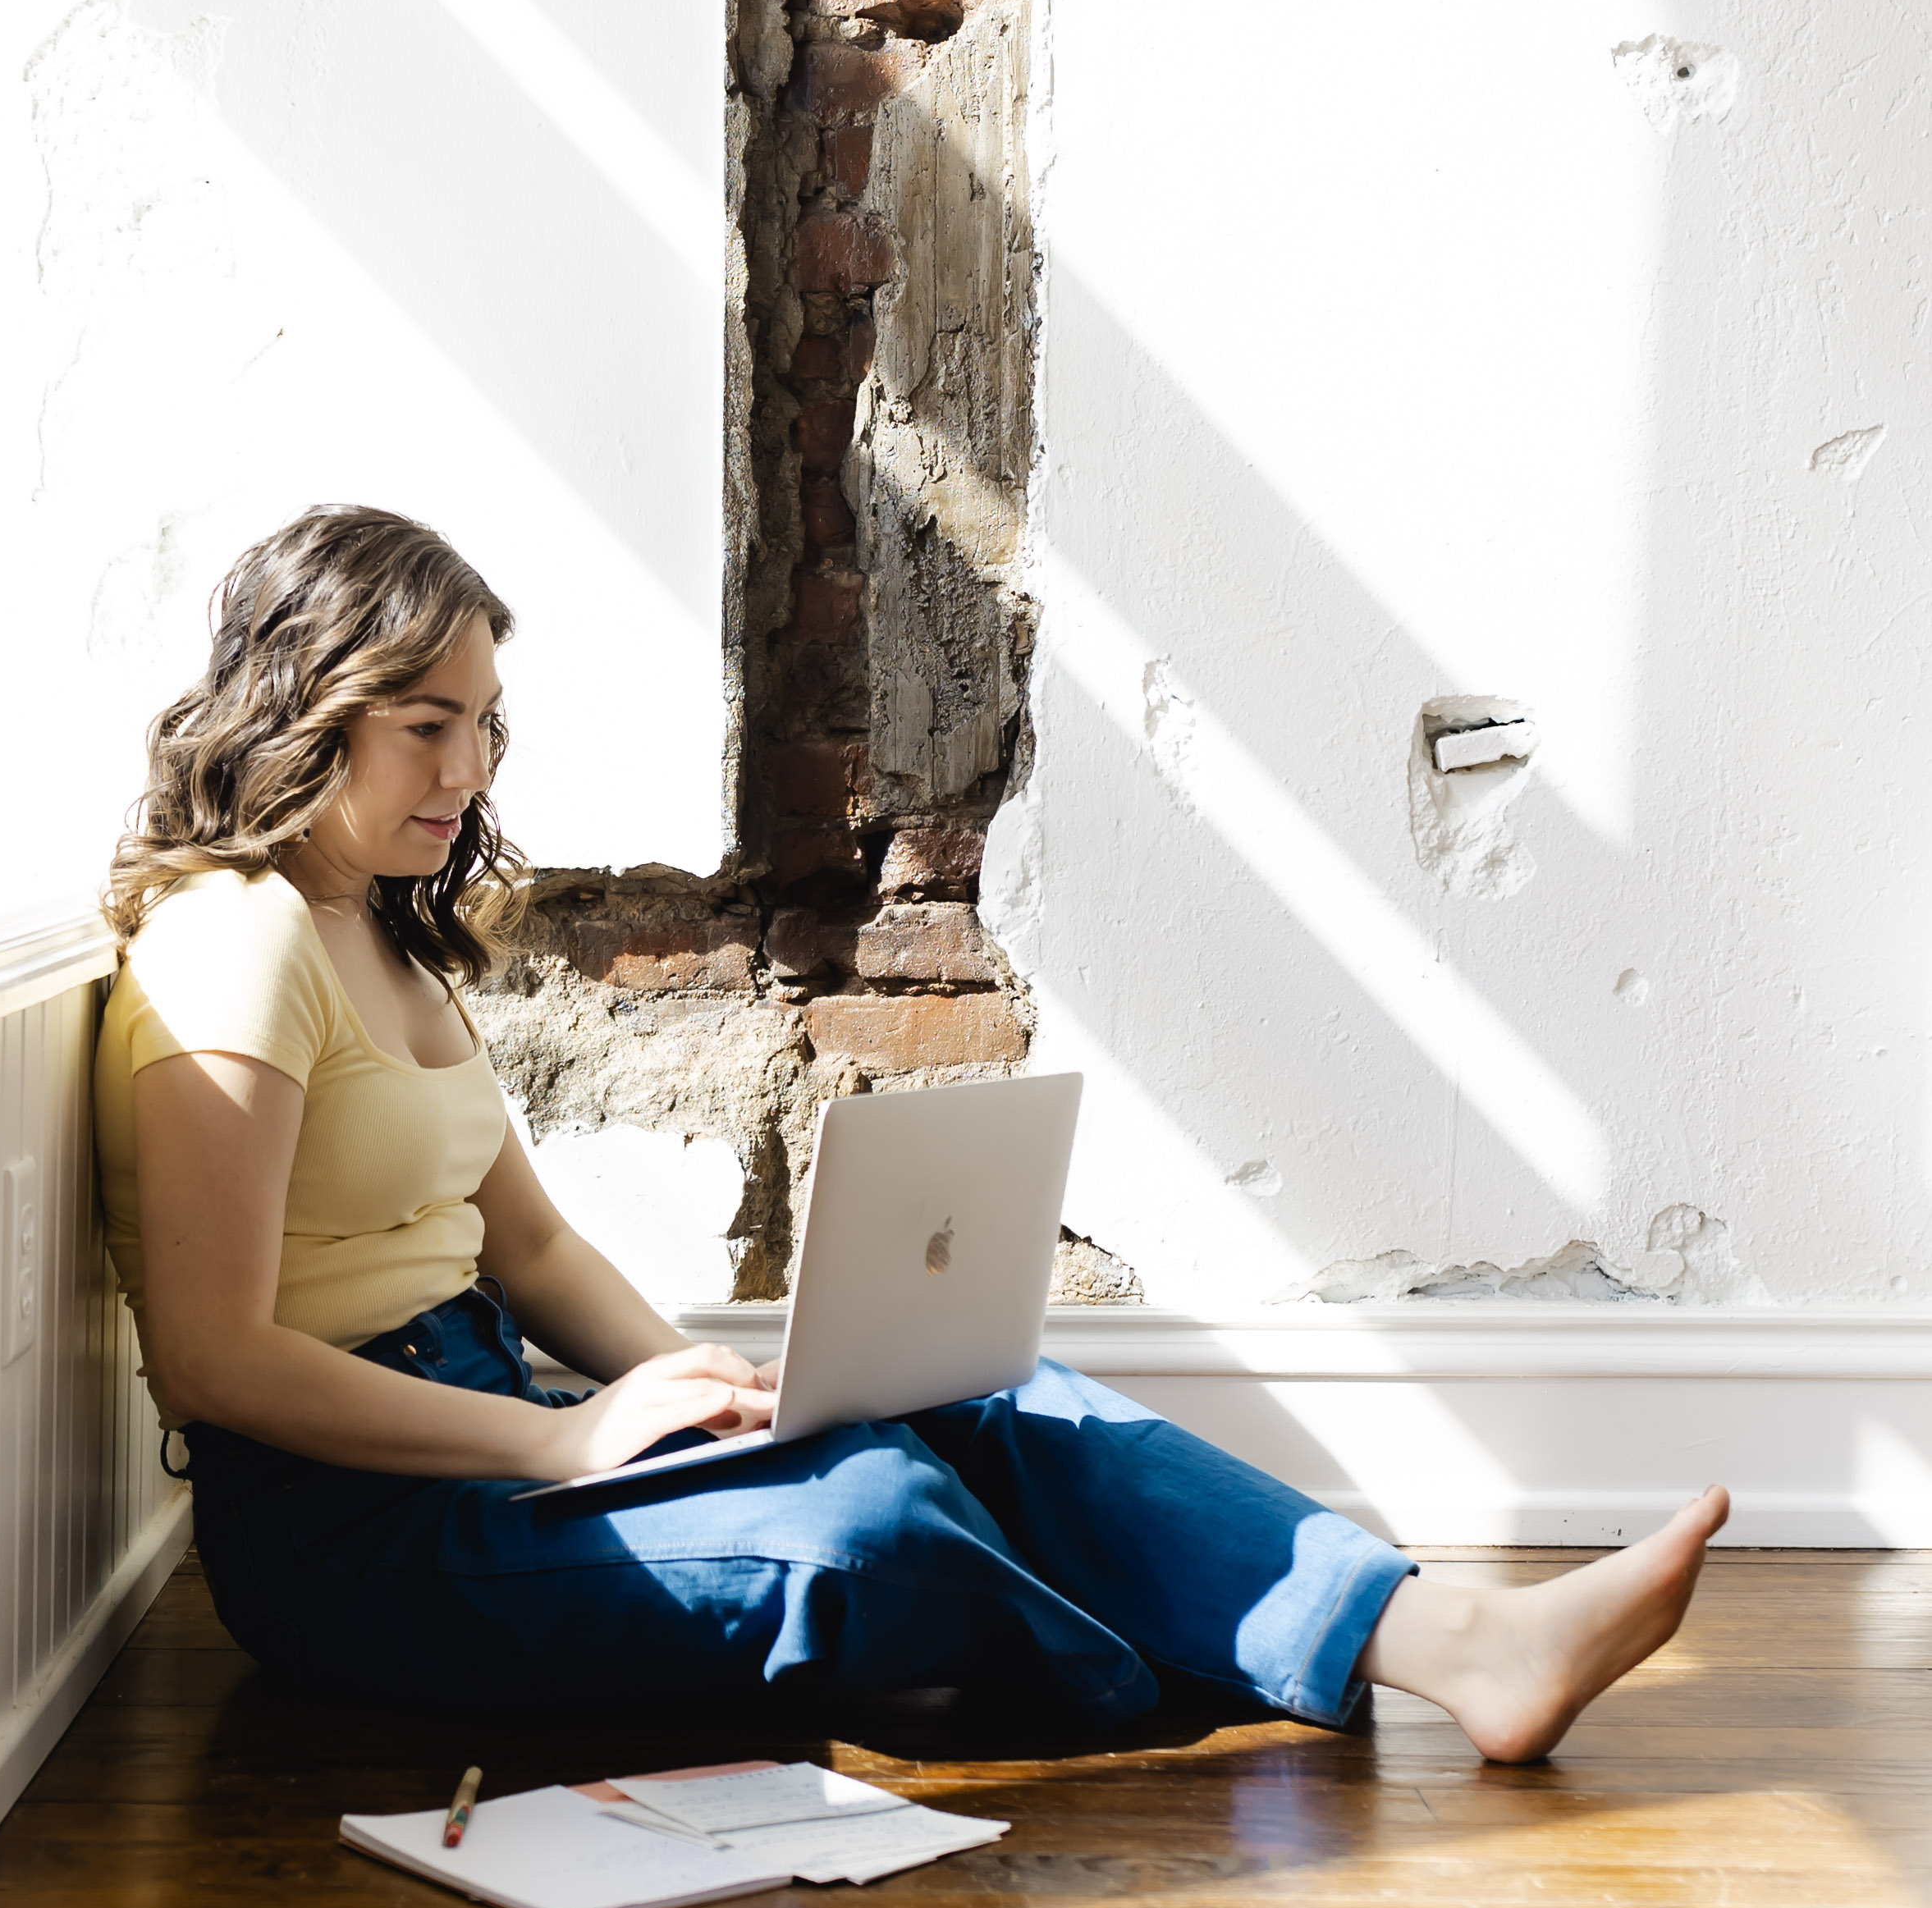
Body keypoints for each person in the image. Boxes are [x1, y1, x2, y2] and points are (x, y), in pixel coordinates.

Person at [93, 502, 1729, 1761]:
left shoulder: (375, 931)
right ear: (309, 703)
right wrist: (558, 1440)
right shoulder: (229, 940)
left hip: (479, 1426)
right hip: (344, 1535)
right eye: (425, 723)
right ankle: (1191, 1649)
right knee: (869, 1522)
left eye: (484, 723)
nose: (471, 765)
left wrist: (714, 1396)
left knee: (976, 1397)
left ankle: (1454, 1645)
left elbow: (523, 1246)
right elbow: (216, 1361)